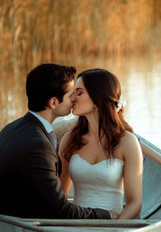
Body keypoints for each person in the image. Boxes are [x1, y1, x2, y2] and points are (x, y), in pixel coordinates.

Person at [0, 63, 116, 219]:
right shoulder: (38, 145)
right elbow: (60, 211)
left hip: (3, 216)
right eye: (71, 95)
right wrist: (106, 215)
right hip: (22, 226)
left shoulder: (10, 128)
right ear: (53, 102)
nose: (74, 99)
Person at [59, 68, 143, 219]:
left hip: (113, 226)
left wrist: (113, 229)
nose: (72, 98)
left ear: (97, 99)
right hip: (75, 223)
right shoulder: (69, 140)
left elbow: (135, 203)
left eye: (79, 93)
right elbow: (60, 196)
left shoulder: (127, 142)